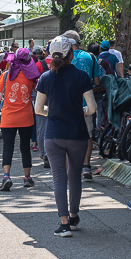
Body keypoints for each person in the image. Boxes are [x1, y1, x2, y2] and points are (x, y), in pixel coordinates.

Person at [35, 36, 96, 237]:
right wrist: (82, 111)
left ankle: (63, 224)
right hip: (77, 134)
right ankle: (73, 215)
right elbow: (93, 108)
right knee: (75, 176)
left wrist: (51, 112)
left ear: (50, 55)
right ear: (71, 54)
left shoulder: (45, 77)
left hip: (53, 135)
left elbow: (38, 109)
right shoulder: (81, 76)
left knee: (58, 178)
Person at [0, 48, 39, 190]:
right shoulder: (31, 76)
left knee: (8, 147)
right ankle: (27, 178)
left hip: (8, 117)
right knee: (25, 147)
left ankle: (6, 176)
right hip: (26, 117)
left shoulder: (6, 75)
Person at [61, 30, 101, 180]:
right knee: (87, 135)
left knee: (65, 137)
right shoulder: (90, 57)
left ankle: (68, 169)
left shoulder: (62, 58)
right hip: (86, 104)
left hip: (65, 105)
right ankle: (86, 166)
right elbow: (97, 82)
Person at [32, 47, 50, 168]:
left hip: (42, 99)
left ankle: (44, 154)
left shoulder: (39, 64)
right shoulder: (64, 63)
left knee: (42, 125)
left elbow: (33, 83)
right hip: (58, 100)